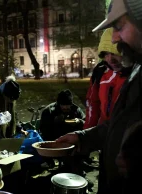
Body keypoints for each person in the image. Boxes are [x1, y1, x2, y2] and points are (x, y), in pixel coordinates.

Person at [56, 0, 142, 193]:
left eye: (119, 27)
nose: (113, 39)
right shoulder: (138, 69)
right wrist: (83, 137)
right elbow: (118, 122)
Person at [84, 27, 129, 129]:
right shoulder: (100, 72)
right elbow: (92, 105)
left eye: (114, 53)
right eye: (106, 54)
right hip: (102, 135)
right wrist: (85, 136)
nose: (110, 59)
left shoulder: (136, 74)